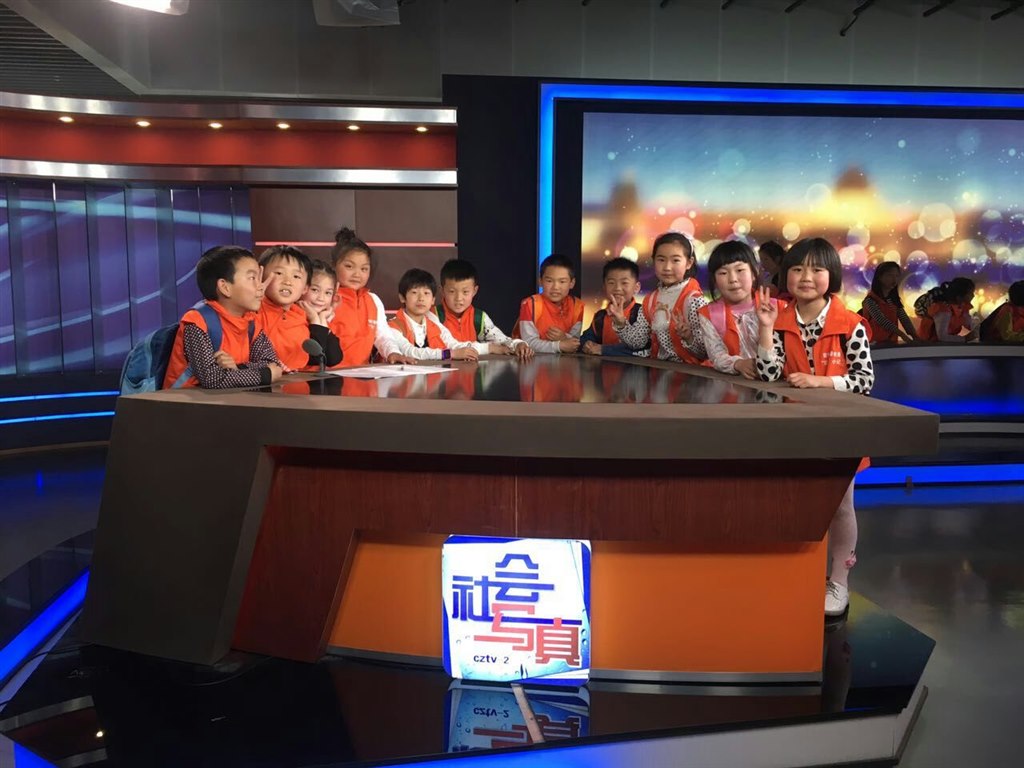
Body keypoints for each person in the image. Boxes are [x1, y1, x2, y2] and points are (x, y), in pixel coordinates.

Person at [755, 237, 874, 617]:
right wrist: (764, 329)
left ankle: (839, 580)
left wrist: (819, 382)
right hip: (792, 431)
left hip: (842, 431)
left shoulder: (850, 324)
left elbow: (864, 380)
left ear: (831, 275)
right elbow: (769, 375)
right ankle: (798, 575)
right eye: (797, 269)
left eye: (816, 269)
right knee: (795, 503)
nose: (806, 277)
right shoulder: (778, 319)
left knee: (841, 507)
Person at [162, 245, 283, 389]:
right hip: (184, 400)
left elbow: (272, 363)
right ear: (225, 287)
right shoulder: (197, 321)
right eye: (252, 278)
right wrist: (265, 375)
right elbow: (212, 378)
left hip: (228, 399)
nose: (260, 286)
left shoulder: (251, 321)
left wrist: (238, 367)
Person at [611, 232, 707, 364]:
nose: (667, 267)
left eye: (675, 260)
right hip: (660, 370)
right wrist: (621, 323)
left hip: (692, 373)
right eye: (661, 260)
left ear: (689, 263)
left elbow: (704, 353)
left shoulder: (694, 300)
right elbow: (638, 342)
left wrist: (689, 337)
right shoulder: (650, 300)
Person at [327, 227, 415, 365]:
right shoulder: (325, 297)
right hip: (329, 374)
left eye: (364, 269)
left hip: (363, 374)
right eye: (349, 266)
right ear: (334, 266)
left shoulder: (373, 300)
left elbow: (383, 335)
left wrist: (392, 352)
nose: (357, 274)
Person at [257, 246, 342, 370]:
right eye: (279, 273)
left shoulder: (300, 315)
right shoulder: (254, 311)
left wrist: (318, 321)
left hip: (297, 380)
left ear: (305, 288)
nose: (288, 282)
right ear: (260, 276)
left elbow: (324, 358)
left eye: (296, 276)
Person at [435, 259, 533, 360]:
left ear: (474, 291)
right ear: (442, 290)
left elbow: (501, 339)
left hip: (472, 368)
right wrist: (489, 348)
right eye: (452, 291)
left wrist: (518, 344)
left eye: (465, 292)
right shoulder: (433, 316)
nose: (459, 298)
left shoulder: (479, 318)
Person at [697, 241, 763, 378]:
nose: (733, 279)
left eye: (739, 270)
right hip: (732, 384)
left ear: (754, 272)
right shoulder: (708, 314)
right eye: (723, 273)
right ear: (714, 279)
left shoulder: (777, 308)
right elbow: (716, 355)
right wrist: (738, 364)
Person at [388, 268, 479, 362]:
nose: (421, 298)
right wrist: (449, 354)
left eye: (426, 293)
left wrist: (470, 351)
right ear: (402, 298)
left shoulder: (433, 321)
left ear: (433, 300)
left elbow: (453, 344)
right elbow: (409, 352)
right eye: (414, 292)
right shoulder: (393, 326)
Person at [515, 254, 584, 354]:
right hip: (530, 359)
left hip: (565, 361)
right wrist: (559, 345)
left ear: (572, 283)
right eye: (549, 281)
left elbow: (574, 343)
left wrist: (564, 337)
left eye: (562, 282)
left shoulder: (577, 306)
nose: (555, 287)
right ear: (540, 281)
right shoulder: (530, 304)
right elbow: (528, 342)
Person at [581, 257, 647, 357]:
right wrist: (587, 344)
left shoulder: (643, 313)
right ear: (604, 287)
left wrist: (603, 350)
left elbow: (642, 348)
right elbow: (586, 338)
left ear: (636, 287)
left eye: (624, 283)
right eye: (611, 283)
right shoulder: (600, 316)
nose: (617, 288)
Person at [860, 262, 918, 344]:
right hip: (874, 345)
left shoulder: (894, 300)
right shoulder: (870, 300)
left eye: (896, 276)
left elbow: (904, 319)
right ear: (880, 277)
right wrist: (901, 334)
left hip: (891, 344)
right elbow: (881, 320)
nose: (894, 280)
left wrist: (915, 336)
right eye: (890, 275)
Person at [917, 277, 977, 342]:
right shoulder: (943, 310)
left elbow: (969, 324)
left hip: (944, 345)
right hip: (928, 345)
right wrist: (965, 339)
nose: (973, 296)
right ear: (959, 297)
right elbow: (942, 337)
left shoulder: (962, 307)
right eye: (970, 293)